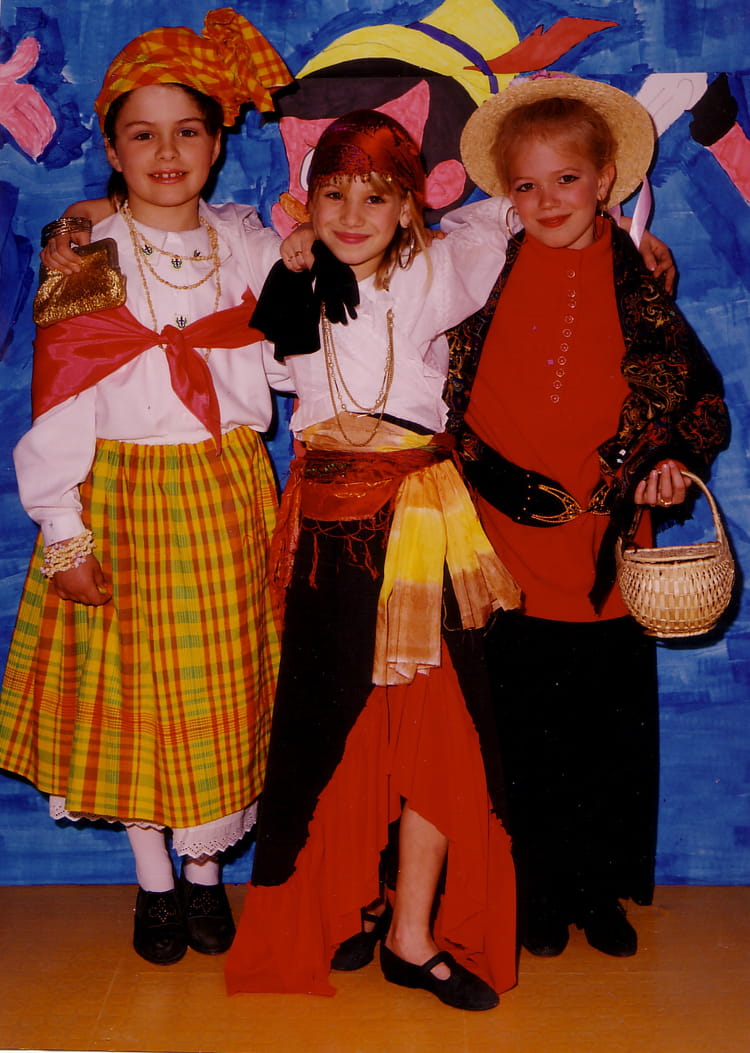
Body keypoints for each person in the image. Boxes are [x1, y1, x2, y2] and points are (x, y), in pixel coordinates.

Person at [0, 9, 295, 966]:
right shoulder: (89, 258)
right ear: (113, 149)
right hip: (124, 495)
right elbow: (59, 403)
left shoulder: (245, 246)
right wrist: (64, 530)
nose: (167, 153)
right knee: (136, 695)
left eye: (187, 131)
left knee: (219, 691)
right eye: (143, 134)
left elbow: (299, 347)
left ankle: (206, 875)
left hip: (226, 493)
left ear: (217, 142)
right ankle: (155, 882)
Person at [224, 110, 523, 1011]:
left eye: (377, 197)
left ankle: (413, 931)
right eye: (334, 195)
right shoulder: (284, 273)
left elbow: (510, 210)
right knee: (332, 725)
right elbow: (200, 222)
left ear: (408, 207)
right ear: (305, 202)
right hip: (327, 529)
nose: (353, 215)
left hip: (422, 520)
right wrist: (83, 217)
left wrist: (629, 234)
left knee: (442, 728)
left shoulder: (442, 268)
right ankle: (343, 900)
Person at [443, 73, 729, 959]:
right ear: (505, 194)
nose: (547, 200)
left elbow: (697, 400)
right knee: (516, 723)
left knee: (604, 726)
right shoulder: (478, 264)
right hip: (498, 538)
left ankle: (597, 887)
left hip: (603, 541)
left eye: (566, 179)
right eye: (525, 185)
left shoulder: (641, 282)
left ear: (605, 178)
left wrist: (671, 465)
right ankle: (532, 885)